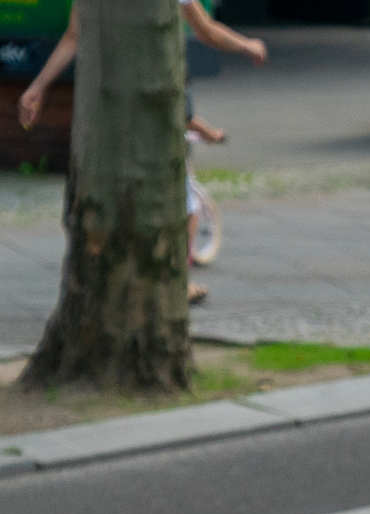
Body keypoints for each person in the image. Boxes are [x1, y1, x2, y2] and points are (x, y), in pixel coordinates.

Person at [18, 0, 269, 306]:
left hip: (109, 107)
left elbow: (74, 37)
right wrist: (247, 45)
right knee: (183, 203)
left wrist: (39, 86)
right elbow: (206, 31)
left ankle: (113, 284)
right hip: (155, 106)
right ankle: (175, 281)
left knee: (113, 199)